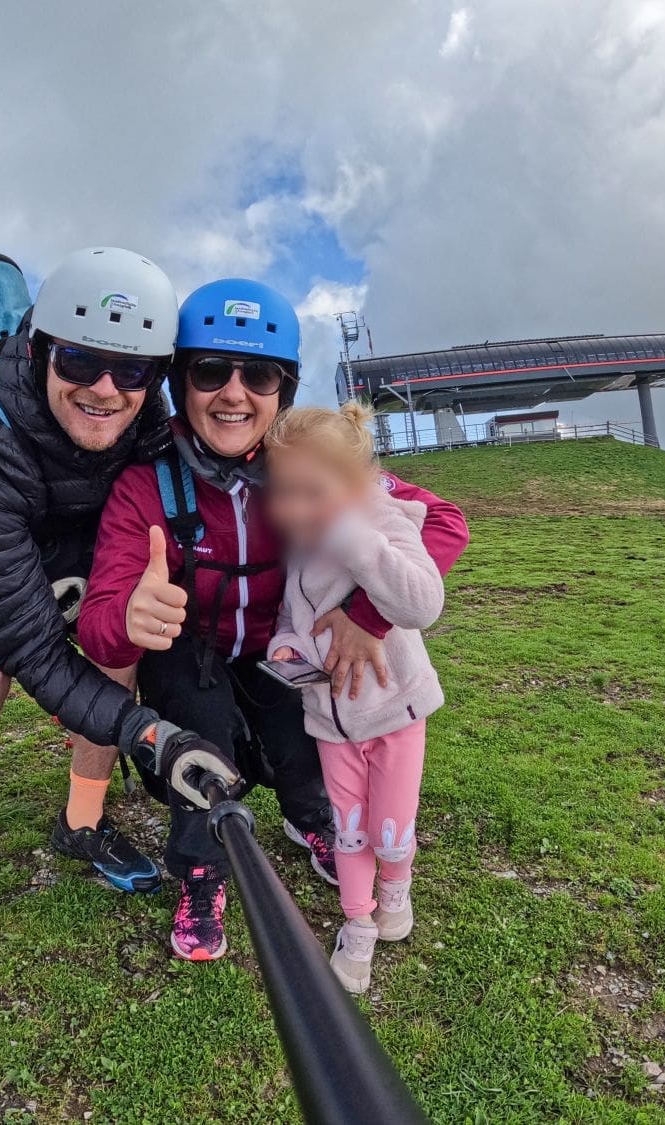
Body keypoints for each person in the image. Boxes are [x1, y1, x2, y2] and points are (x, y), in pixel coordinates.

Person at [78, 279, 469, 961]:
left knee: (309, 708)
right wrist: (130, 618)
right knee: (197, 717)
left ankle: (310, 815)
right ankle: (202, 869)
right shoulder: (147, 485)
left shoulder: (306, 463)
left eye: (257, 374)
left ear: (283, 389)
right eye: (210, 371)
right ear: (180, 382)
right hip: (190, 656)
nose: (234, 393)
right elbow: (100, 622)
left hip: (279, 653)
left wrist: (365, 614)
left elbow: (440, 520)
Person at [0, 246, 239, 958]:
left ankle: (82, 822)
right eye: (80, 362)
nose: (106, 389)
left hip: (59, 526)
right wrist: (153, 735)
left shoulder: (145, 420)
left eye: (133, 371)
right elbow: (33, 653)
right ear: (41, 348)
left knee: (117, 638)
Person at [265, 404, 447, 993]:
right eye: (282, 492)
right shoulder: (298, 548)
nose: (292, 509)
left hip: (395, 717)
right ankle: (358, 924)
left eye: (310, 492)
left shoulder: (384, 521)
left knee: (391, 828)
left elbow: (421, 603)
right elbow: (292, 619)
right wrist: (288, 649)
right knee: (349, 830)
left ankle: (396, 893)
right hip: (328, 721)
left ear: (354, 481)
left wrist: (353, 538)